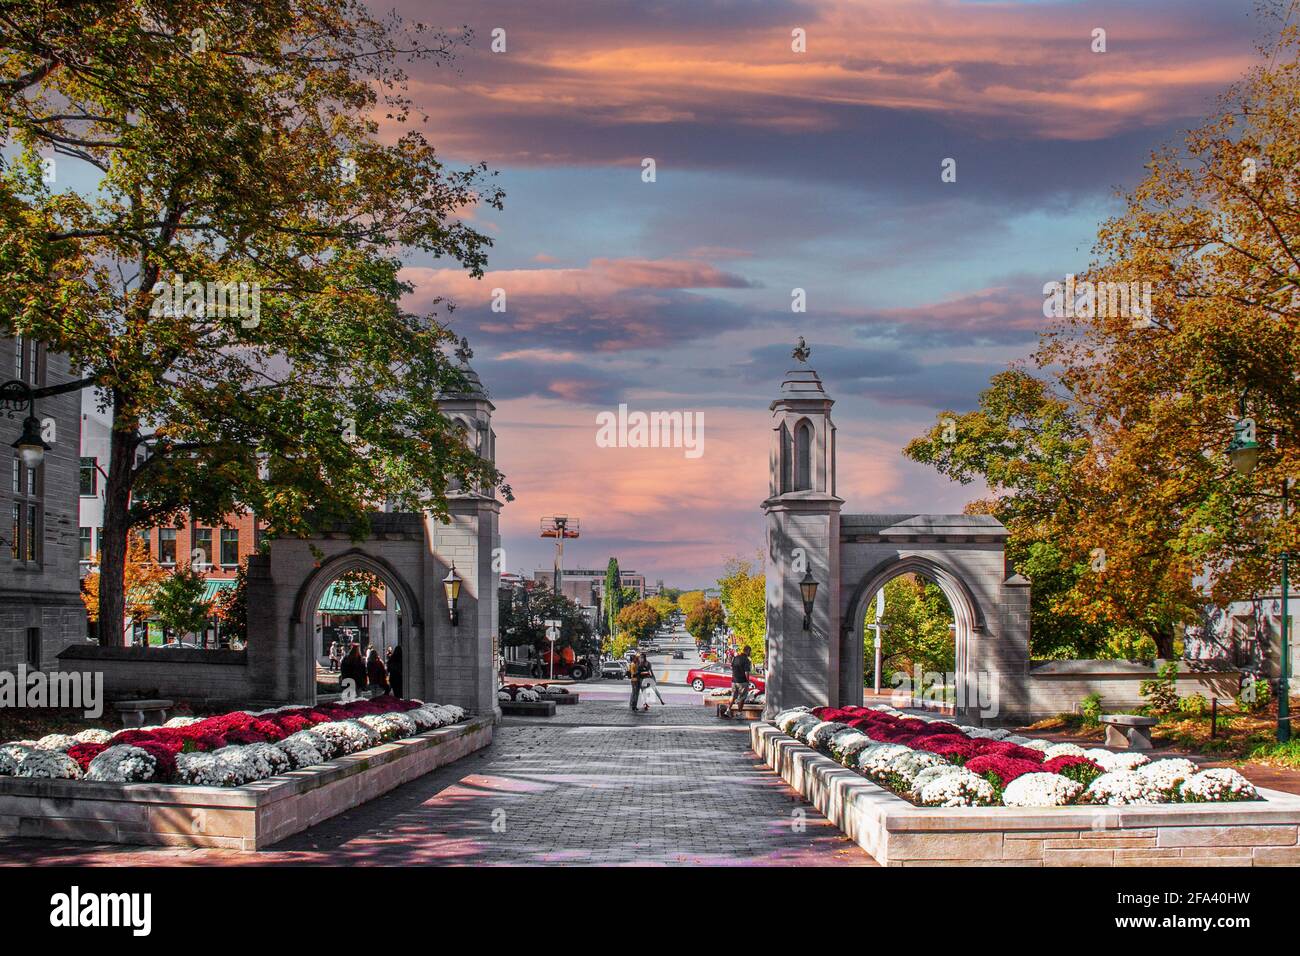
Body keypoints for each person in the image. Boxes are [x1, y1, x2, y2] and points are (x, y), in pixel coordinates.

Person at [729, 645, 753, 713]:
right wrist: (747, 682)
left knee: (733, 696)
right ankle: (739, 712)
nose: (750, 653)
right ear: (748, 651)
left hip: (734, 681)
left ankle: (728, 709)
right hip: (742, 681)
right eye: (750, 652)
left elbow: (732, 668)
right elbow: (746, 672)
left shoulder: (735, 658)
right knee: (742, 697)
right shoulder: (746, 660)